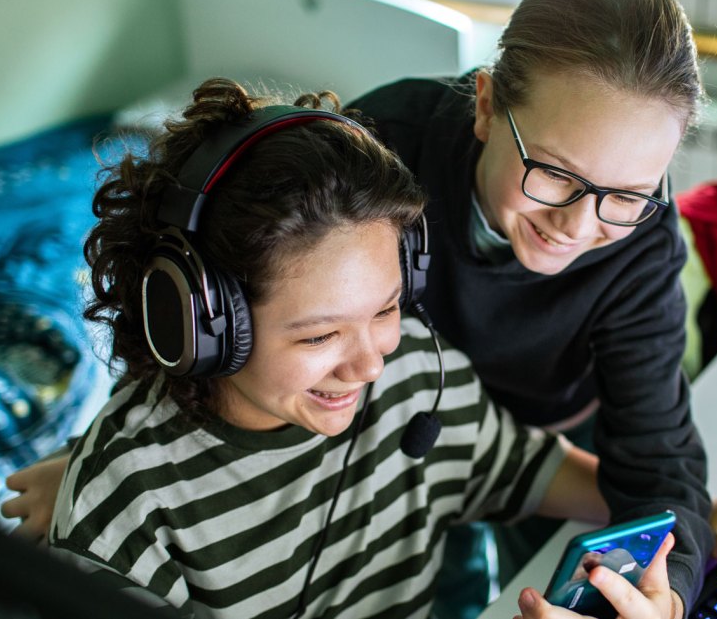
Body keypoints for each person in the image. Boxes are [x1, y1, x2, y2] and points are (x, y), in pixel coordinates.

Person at [6, 0, 717, 618]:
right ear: (485, 104)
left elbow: (652, 461)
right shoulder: (372, 162)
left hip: (454, 440)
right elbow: (230, 282)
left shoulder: (615, 247)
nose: (580, 226)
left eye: (626, 194)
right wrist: (104, 468)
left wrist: (671, 552)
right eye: (555, 175)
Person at [41, 76, 680, 619]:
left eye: (386, 309)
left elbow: (526, 470)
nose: (370, 363)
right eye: (320, 335)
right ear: (202, 323)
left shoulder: (412, 373)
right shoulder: (128, 499)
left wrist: (684, 519)